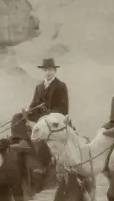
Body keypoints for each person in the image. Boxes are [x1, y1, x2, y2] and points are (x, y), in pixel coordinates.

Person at [10, 58, 69, 189]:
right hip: (38, 116)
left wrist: (46, 113)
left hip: (53, 118)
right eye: (45, 70)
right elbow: (34, 104)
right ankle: (21, 141)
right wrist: (28, 110)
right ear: (42, 71)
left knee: (40, 126)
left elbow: (63, 108)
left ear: (55, 71)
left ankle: (44, 161)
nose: (48, 73)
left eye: (50, 70)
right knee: (17, 117)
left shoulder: (61, 86)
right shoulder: (39, 87)